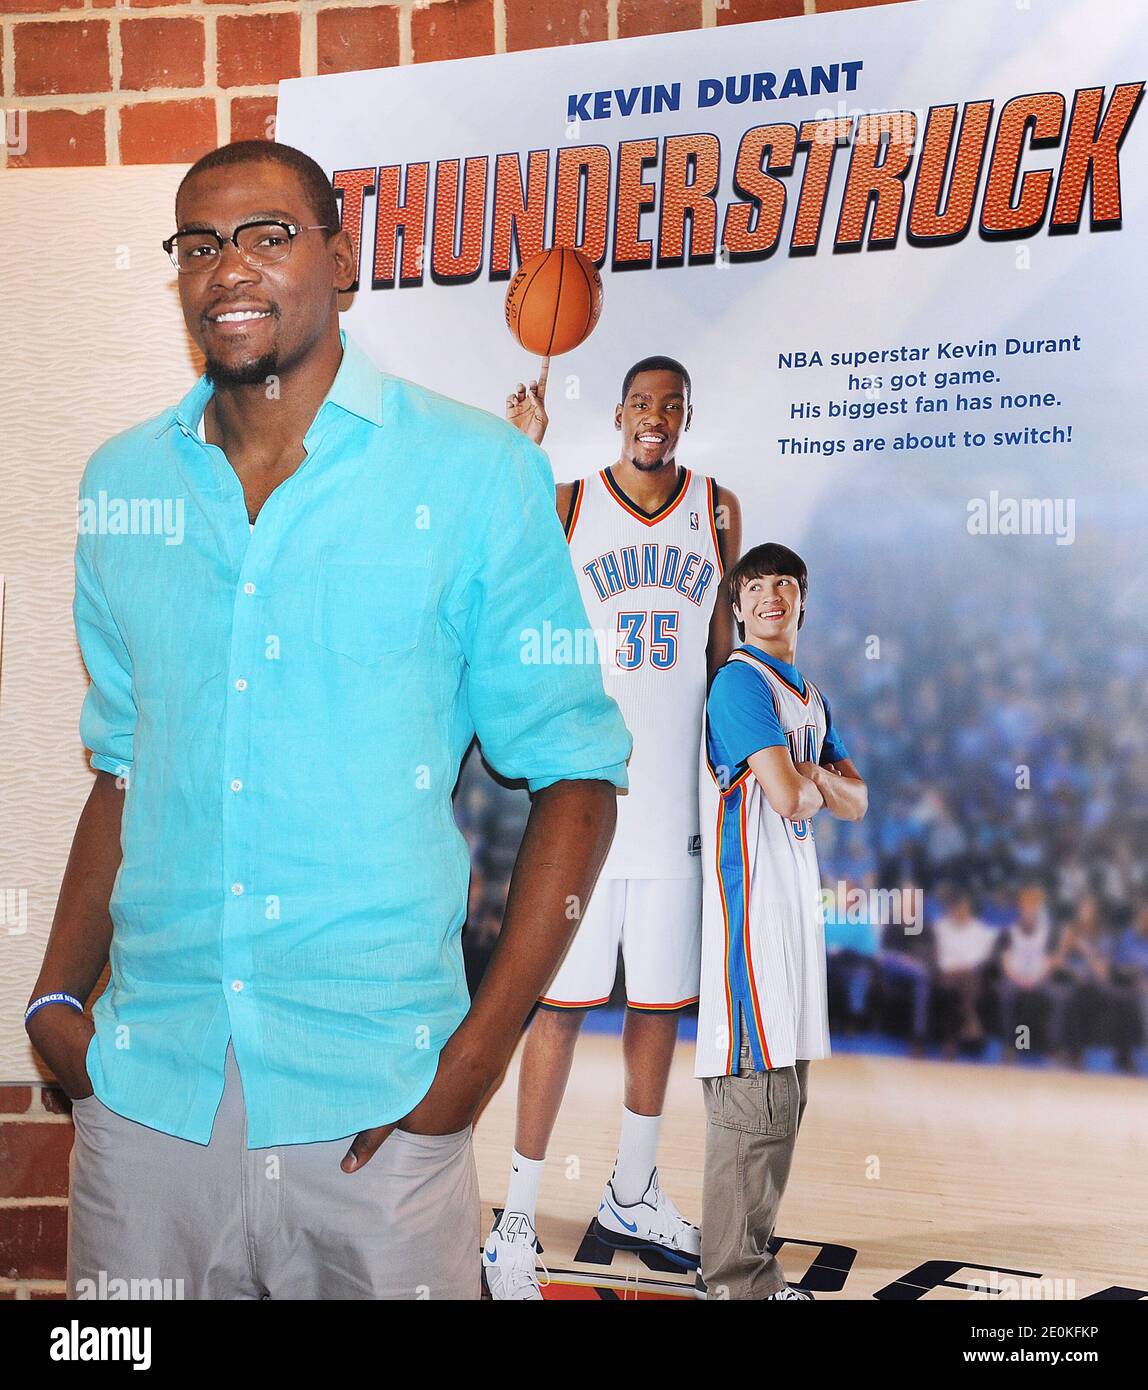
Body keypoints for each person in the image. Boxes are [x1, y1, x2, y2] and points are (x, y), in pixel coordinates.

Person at [25, 139, 631, 1301]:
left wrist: (471, 1062)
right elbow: (123, 768)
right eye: (198, 244)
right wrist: (57, 999)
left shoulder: (471, 471)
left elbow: (576, 777)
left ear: (340, 260)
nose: (228, 268)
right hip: (148, 1101)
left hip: (379, 1104)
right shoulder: (124, 484)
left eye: (267, 234)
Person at [483, 357, 741, 1297]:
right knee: (560, 1008)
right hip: (591, 796)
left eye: (674, 406)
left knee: (659, 1007)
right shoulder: (567, 500)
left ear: (686, 415)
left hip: (676, 801)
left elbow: (723, 657)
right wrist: (520, 452)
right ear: (622, 413)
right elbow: (499, 558)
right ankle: (514, 1215)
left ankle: (632, 1190)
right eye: (643, 405)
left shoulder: (717, 505)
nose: (657, 420)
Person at [695, 542, 867, 1300]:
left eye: (785, 586)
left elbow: (857, 800)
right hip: (749, 925)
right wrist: (816, 782)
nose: (772, 597)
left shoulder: (808, 693)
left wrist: (813, 779)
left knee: (785, 1105)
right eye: (756, 586)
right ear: (736, 604)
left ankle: (751, 1267)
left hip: (794, 919)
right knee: (753, 1107)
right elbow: (792, 798)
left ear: (802, 600)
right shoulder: (738, 685)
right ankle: (731, 1282)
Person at [932, 889, 997, 1057]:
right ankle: (971, 1022)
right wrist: (955, 967)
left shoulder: (980, 930)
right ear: (951, 909)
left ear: (969, 909)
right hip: (946, 973)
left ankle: (952, 1042)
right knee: (959, 982)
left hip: (969, 973)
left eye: (964, 908)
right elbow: (939, 956)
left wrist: (965, 966)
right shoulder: (940, 927)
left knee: (967, 979)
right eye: (957, 908)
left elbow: (982, 957)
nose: (960, 911)